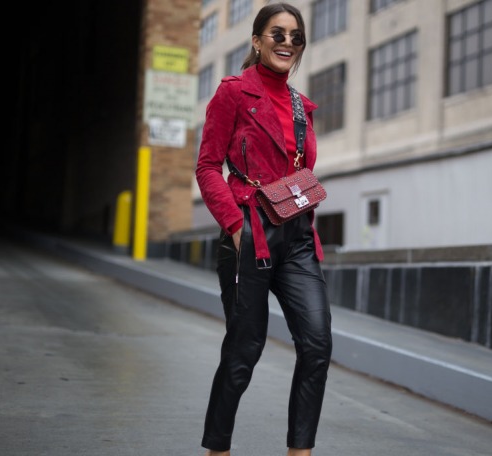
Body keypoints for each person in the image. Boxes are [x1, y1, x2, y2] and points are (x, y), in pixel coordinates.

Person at [195, 3, 332, 456]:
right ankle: (219, 449)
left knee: (316, 345)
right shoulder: (233, 93)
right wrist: (234, 226)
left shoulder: (301, 106)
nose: (287, 43)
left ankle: (300, 452)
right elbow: (208, 166)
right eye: (277, 34)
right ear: (257, 41)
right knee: (244, 351)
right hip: (249, 231)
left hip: (296, 239)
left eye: (296, 37)